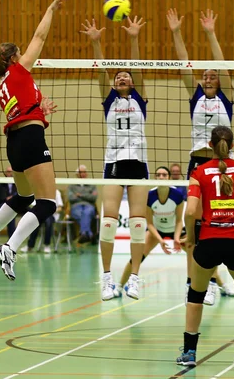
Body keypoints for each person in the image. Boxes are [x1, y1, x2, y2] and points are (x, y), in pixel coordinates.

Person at [0, 0, 68, 281]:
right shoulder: (19, 70)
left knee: (24, 196)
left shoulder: (5, 83)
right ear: (14, 58)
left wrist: (41, 109)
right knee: (47, 203)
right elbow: (39, 36)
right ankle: (10, 248)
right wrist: (49, 9)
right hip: (29, 139)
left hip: (15, 143)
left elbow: (23, 110)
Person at [167, 8, 234, 304]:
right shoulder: (195, 97)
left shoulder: (226, 98)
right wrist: (176, 33)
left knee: (217, 221)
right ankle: (194, 281)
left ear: (218, 81)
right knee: (193, 221)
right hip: (197, 163)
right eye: (204, 76)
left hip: (222, 165)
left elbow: (223, 65)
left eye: (212, 76)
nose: (207, 78)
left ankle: (210, 280)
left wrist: (210, 33)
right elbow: (184, 65)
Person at [176, 126, 234, 368]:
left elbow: (191, 211)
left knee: (196, 294)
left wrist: (191, 236)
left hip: (209, 240)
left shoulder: (199, 172)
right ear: (232, 146)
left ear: (210, 145)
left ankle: (189, 353)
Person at [80, 17, 149, 301]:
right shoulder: (109, 100)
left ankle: (134, 278)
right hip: (114, 165)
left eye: (126, 76)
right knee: (108, 222)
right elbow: (101, 72)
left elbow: (139, 69)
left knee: (137, 224)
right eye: (118, 76)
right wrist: (96, 42)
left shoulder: (140, 99)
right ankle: (107, 279)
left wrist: (134, 38)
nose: (122, 77)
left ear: (132, 82)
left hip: (139, 165)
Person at [118, 166, 185, 290]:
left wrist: (176, 238)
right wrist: (160, 240)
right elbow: (149, 223)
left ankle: (221, 285)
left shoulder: (177, 195)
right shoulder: (150, 195)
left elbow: (180, 221)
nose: (161, 177)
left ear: (169, 178)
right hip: (157, 230)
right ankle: (119, 286)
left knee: (198, 255)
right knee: (137, 256)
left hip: (175, 229)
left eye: (164, 175)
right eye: (158, 175)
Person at [68, 165, 98, 243]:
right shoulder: (72, 185)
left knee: (86, 212)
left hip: (89, 206)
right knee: (82, 214)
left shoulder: (92, 184)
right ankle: (89, 234)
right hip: (76, 206)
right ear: (77, 174)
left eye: (85, 172)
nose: (83, 174)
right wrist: (87, 195)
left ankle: (84, 233)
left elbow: (94, 197)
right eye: (81, 172)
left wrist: (80, 195)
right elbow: (70, 198)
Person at [26, 188, 63, 253]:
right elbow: (33, 205)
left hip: (52, 214)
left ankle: (47, 245)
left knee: (48, 222)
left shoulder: (56, 192)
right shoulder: (38, 191)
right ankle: (30, 246)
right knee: (35, 222)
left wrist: (51, 211)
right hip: (41, 213)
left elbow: (60, 208)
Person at [0, 166, 18, 239]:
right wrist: (6, 199)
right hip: (3, 206)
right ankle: (12, 238)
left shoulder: (18, 184)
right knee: (10, 210)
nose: (11, 174)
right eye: (9, 172)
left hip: (18, 206)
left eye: (12, 172)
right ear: (6, 173)